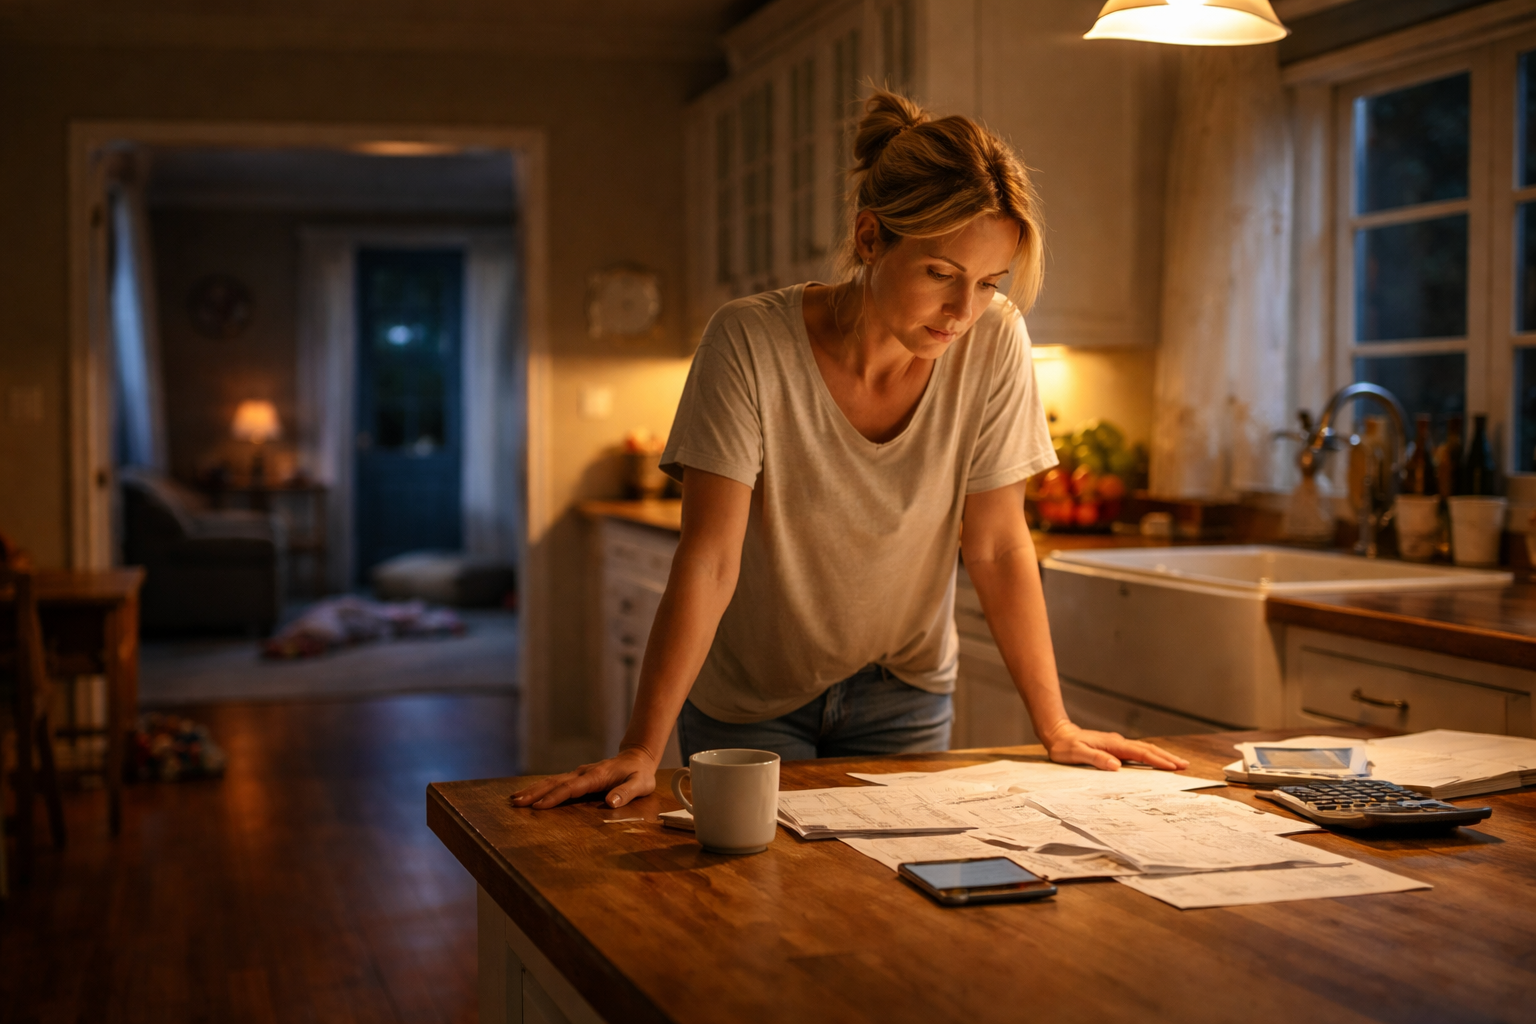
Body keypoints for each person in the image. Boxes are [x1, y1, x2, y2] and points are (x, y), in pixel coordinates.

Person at [514, 90, 1187, 811]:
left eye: (988, 283)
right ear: (871, 239)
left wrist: (1054, 726)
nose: (964, 312)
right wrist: (642, 748)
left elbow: (995, 546)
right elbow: (709, 556)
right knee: (749, 911)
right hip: (752, 700)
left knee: (890, 909)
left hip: (904, 696)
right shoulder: (748, 341)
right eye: (940, 273)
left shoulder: (995, 342)